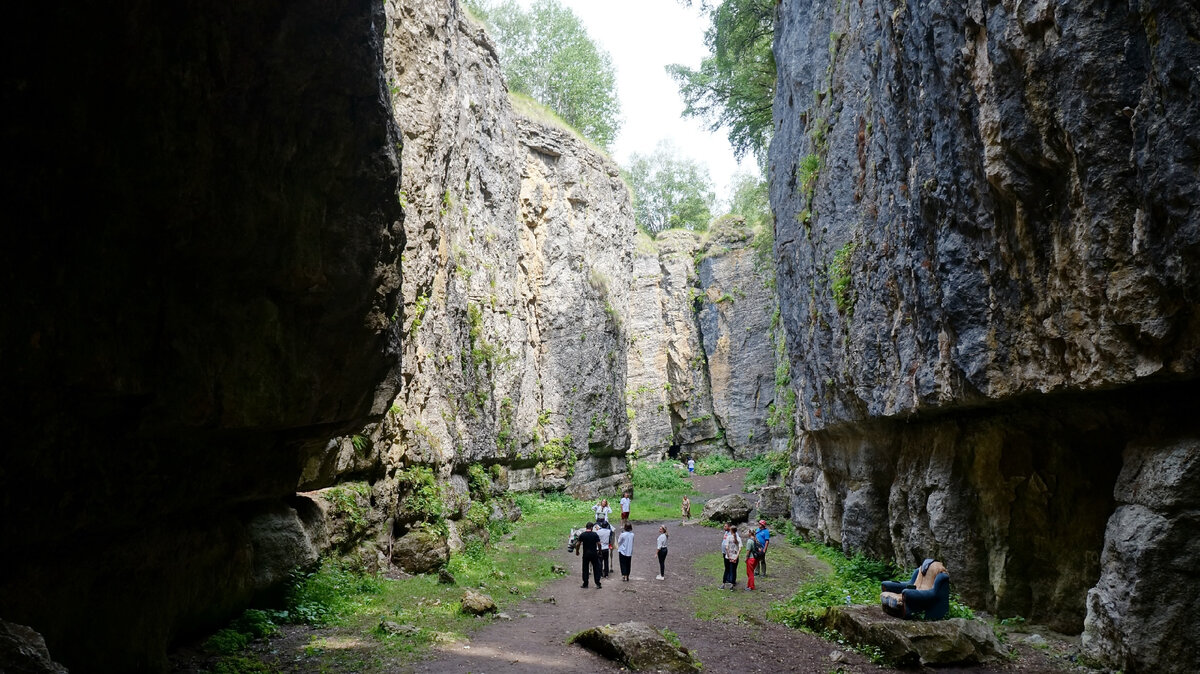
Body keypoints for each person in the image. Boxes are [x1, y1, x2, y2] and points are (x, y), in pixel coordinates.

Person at [575, 522, 602, 588]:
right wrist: (600, 551)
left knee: (585, 568)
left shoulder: (583, 535)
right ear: (592, 528)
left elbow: (578, 544)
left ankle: (585, 583)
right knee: (596, 568)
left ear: (586, 527)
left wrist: (577, 551)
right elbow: (599, 543)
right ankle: (597, 583)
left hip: (586, 554)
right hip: (594, 553)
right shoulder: (594, 534)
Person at [721, 523, 741, 589]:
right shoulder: (727, 533)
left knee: (731, 568)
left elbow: (727, 546)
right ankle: (729, 580)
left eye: (725, 526)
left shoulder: (732, 536)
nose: (724, 527)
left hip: (730, 554)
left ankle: (731, 581)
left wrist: (729, 555)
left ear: (730, 528)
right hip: (729, 554)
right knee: (728, 567)